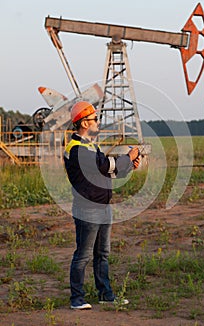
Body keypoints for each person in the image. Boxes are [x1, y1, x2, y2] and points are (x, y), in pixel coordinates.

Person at [64, 100, 140, 310]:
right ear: (85, 123)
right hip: (88, 210)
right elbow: (104, 165)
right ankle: (77, 299)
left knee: (102, 255)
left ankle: (105, 295)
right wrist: (127, 157)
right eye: (95, 119)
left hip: (102, 207)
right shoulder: (77, 149)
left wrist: (128, 166)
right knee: (83, 255)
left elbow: (107, 171)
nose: (98, 122)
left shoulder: (90, 146)